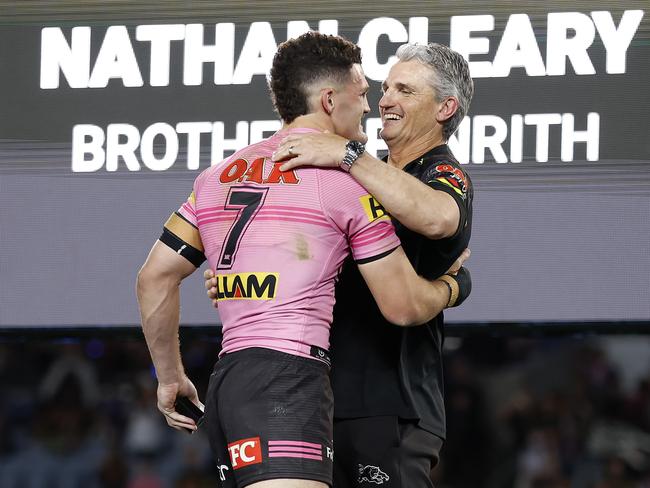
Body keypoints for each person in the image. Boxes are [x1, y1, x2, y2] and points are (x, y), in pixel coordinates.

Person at [137, 33, 471, 488]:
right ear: (330, 100)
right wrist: (455, 286)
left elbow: (155, 276)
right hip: (295, 383)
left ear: (444, 109)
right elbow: (403, 304)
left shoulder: (217, 177)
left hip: (256, 385)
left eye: (402, 90)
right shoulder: (345, 183)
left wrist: (171, 375)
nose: (377, 104)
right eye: (371, 92)